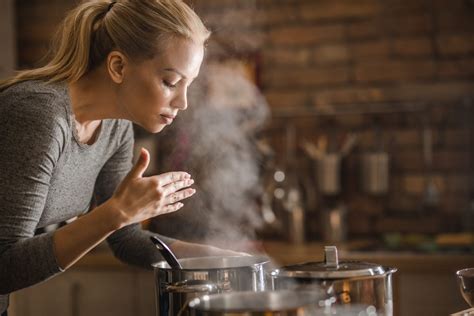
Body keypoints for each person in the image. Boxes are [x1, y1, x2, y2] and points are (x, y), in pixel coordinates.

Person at [0, 1, 242, 314]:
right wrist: (117, 212)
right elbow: (4, 265)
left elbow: (126, 240)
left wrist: (223, 258)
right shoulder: (39, 116)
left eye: (188, 85)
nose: (182, 102)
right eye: (170, 82)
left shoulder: (116, 128)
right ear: (118, 66)